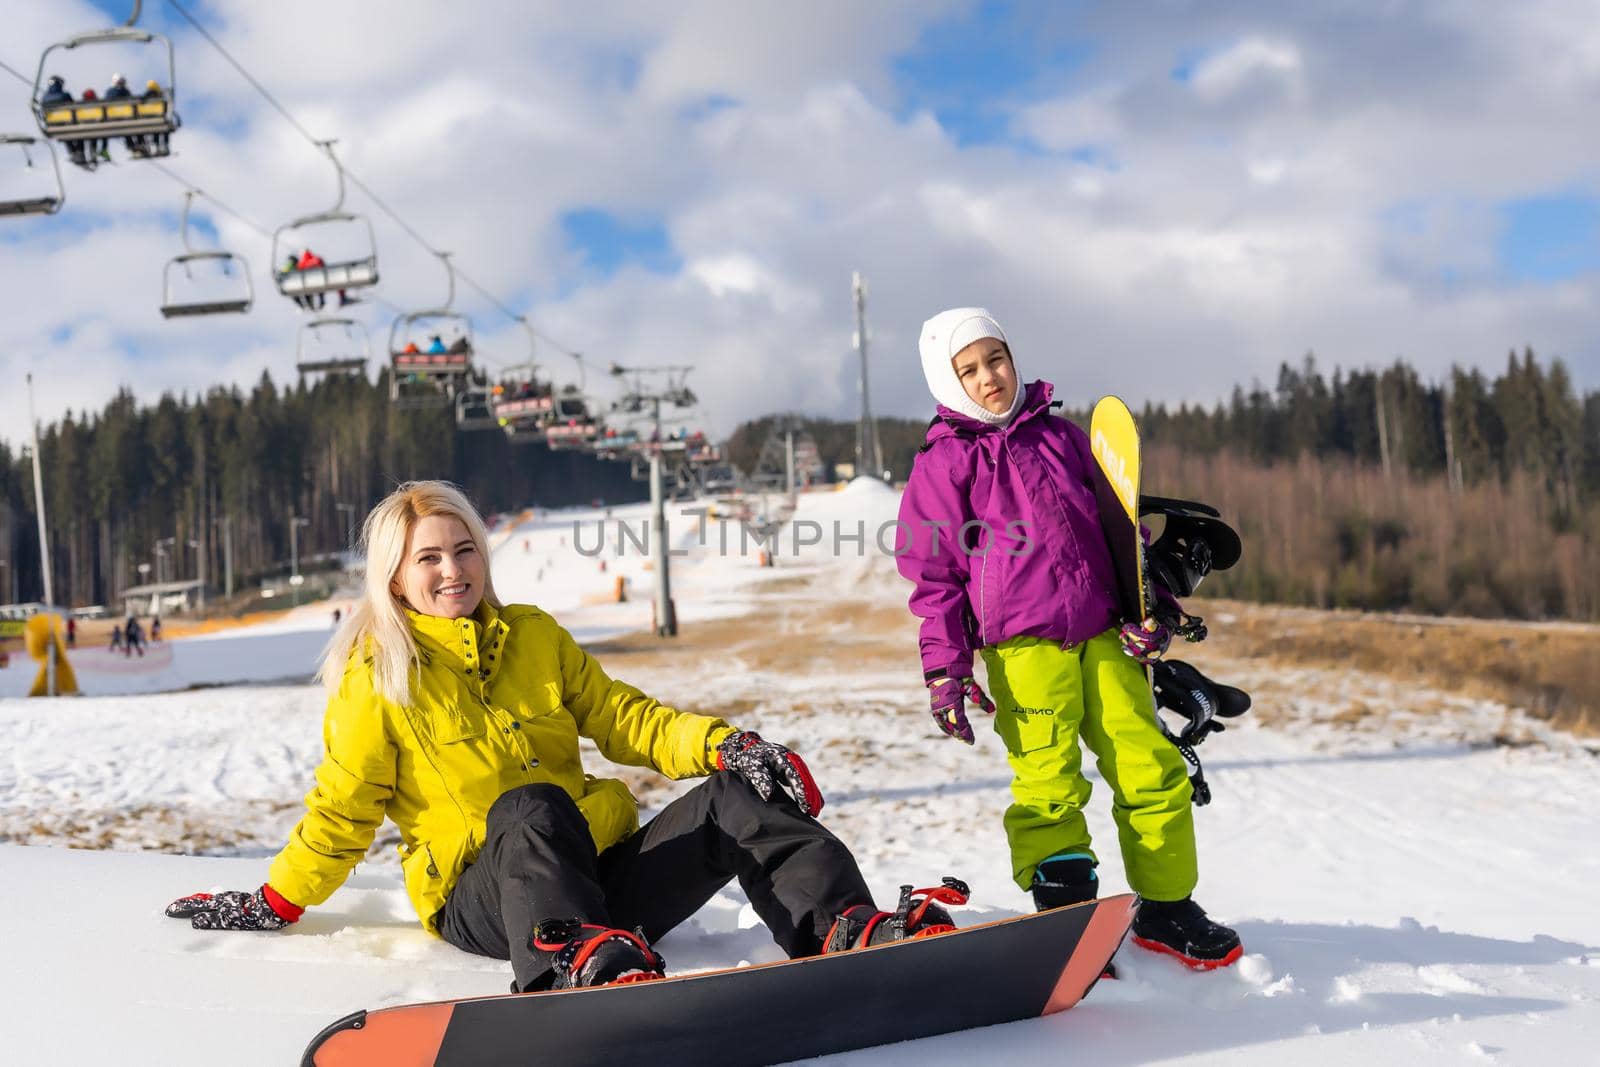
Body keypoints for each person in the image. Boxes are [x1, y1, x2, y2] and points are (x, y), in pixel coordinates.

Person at [165, 480, 964, 992]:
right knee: (531, 802)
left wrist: (725, 745)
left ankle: (845, 928)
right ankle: (570, 967)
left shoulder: (535, 635)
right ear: (396, 577)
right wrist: (278, 898)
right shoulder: (379, 675)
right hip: (486, 898)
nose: (454, 570)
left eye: (466, 548)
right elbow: (343, 809)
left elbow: (623, 716)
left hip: (597, 880)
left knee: (732, 800)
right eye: (430, 557)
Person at [895, 307, 1241, 969]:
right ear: (946, 380)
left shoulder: (1059, 436)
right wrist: (947, 669)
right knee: (1049, 784)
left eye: (995, 358)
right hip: (1022, 649)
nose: (989, 376)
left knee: (1150, 766)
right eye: (968, 368)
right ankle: (1068, 924)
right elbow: (932, 575)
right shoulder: (945, 463)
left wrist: (1154, 607)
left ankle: (1167, 906)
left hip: (1104, 628)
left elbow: (1120, 528)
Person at [141, 81, 170, 154]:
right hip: (157, 117)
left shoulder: (146, 95)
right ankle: (164, 146)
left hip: (149, 117)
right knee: (162, 129)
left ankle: (156, 146)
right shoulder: (159, 95)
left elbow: (141, 103)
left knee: (156, 131)